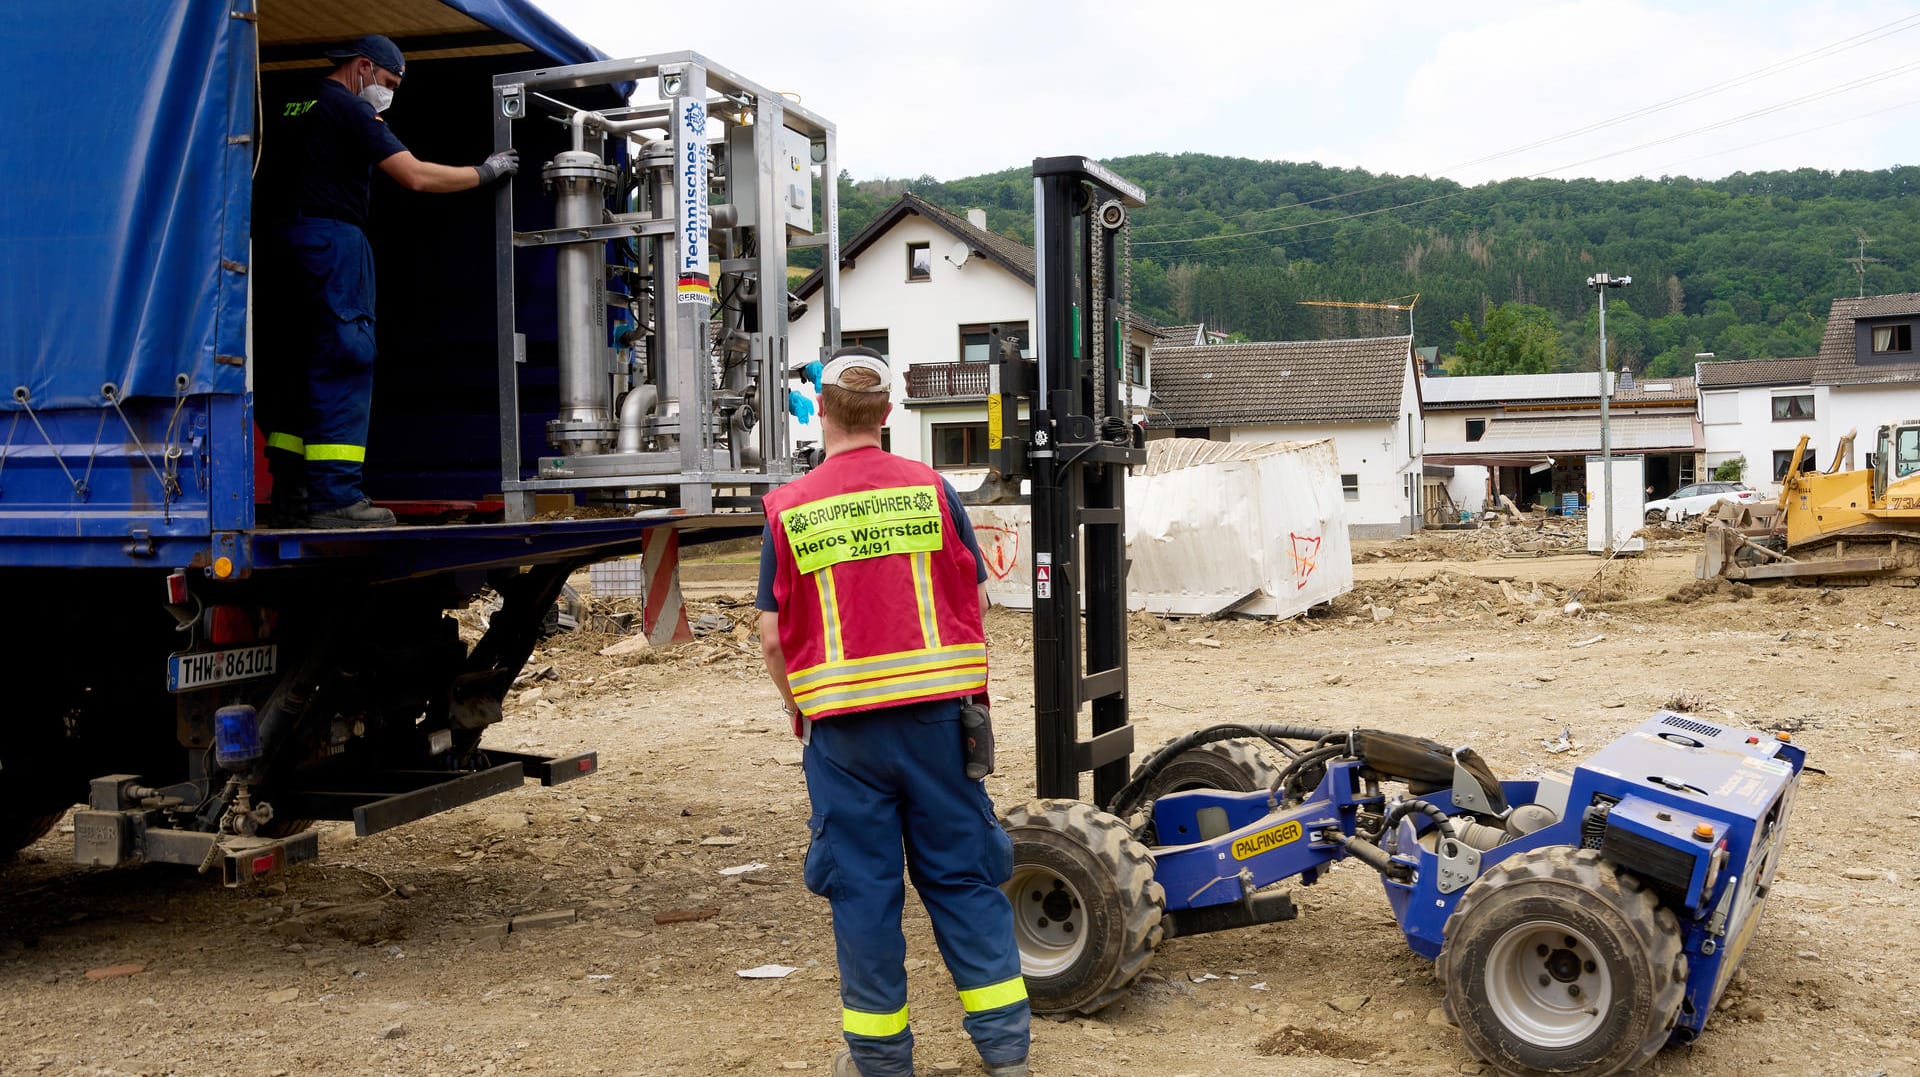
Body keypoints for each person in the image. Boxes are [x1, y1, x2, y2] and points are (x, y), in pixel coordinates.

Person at [757, 347, 1030, 1077]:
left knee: (865, 893)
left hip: (842, 733)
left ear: (821, 411)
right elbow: (970, 596)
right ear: (887, 414)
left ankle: (880, 1064)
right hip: (939, 724)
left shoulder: (790, 507)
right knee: (964, 880)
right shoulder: (932, 491)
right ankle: (1006, 1054)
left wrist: (801, 710)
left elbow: (771, 636)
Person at [253, 34, 520, 528]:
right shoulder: (350, 109)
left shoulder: (289, 101)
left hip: (276, 248)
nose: (389, 93)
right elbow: (415, 176)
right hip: (332, 243)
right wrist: (486, 172)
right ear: (362, 68)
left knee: (293, 367)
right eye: (389, 82)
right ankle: (336, 499)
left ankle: (292, 495)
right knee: (343, 358)